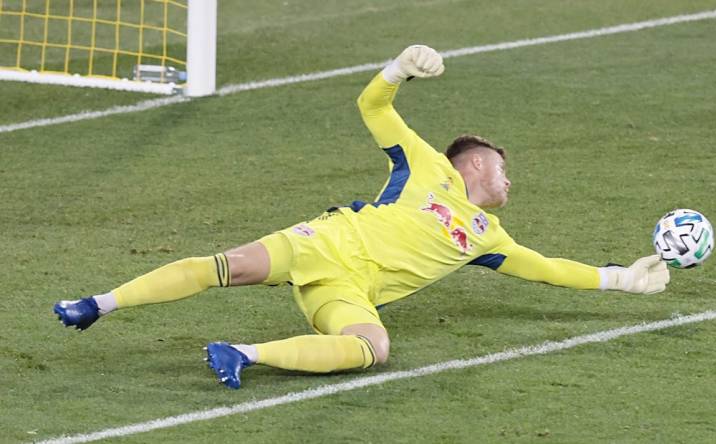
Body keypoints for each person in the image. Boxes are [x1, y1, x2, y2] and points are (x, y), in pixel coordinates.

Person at [54, 45, 670, 389]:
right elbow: (373, 106)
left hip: (347, 289)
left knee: (373, 347)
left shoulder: (488, 236)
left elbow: (549, 270)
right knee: (229, 266)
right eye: (504, 169)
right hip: (323, 242)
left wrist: (625, 279)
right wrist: (398, 69)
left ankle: (243, 352)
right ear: (477, 164)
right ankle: (98, 303)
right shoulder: (428, 165)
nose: (510, 182)